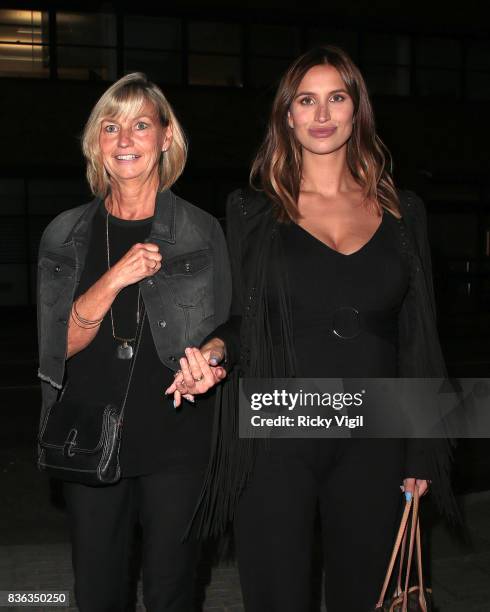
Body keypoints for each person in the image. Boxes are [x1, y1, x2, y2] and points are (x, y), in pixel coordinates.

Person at [166, 47, 458, 612]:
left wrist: (422, 452)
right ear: (288, 116)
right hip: (279, 426)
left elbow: (419, 333)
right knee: (277, 594)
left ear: (357, 111)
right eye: (306, 100)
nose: (321, 113)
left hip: (375, 430)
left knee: (366, 593)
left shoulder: (403, 210)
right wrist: (215, 350)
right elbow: (241, 318)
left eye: (336, 97)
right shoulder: (252, 211)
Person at [36, 72, 231, 611]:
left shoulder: (200, 230)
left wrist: (211, 358)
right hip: (88, 437)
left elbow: (229, 328)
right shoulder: (64, 234)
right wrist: (114, 278)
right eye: (111, 127)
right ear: (95, 142)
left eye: (141, 125)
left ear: (166, 138)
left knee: (173, 593)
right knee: (98, 594)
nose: (125, 140)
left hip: (178, 437)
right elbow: (54, 349)